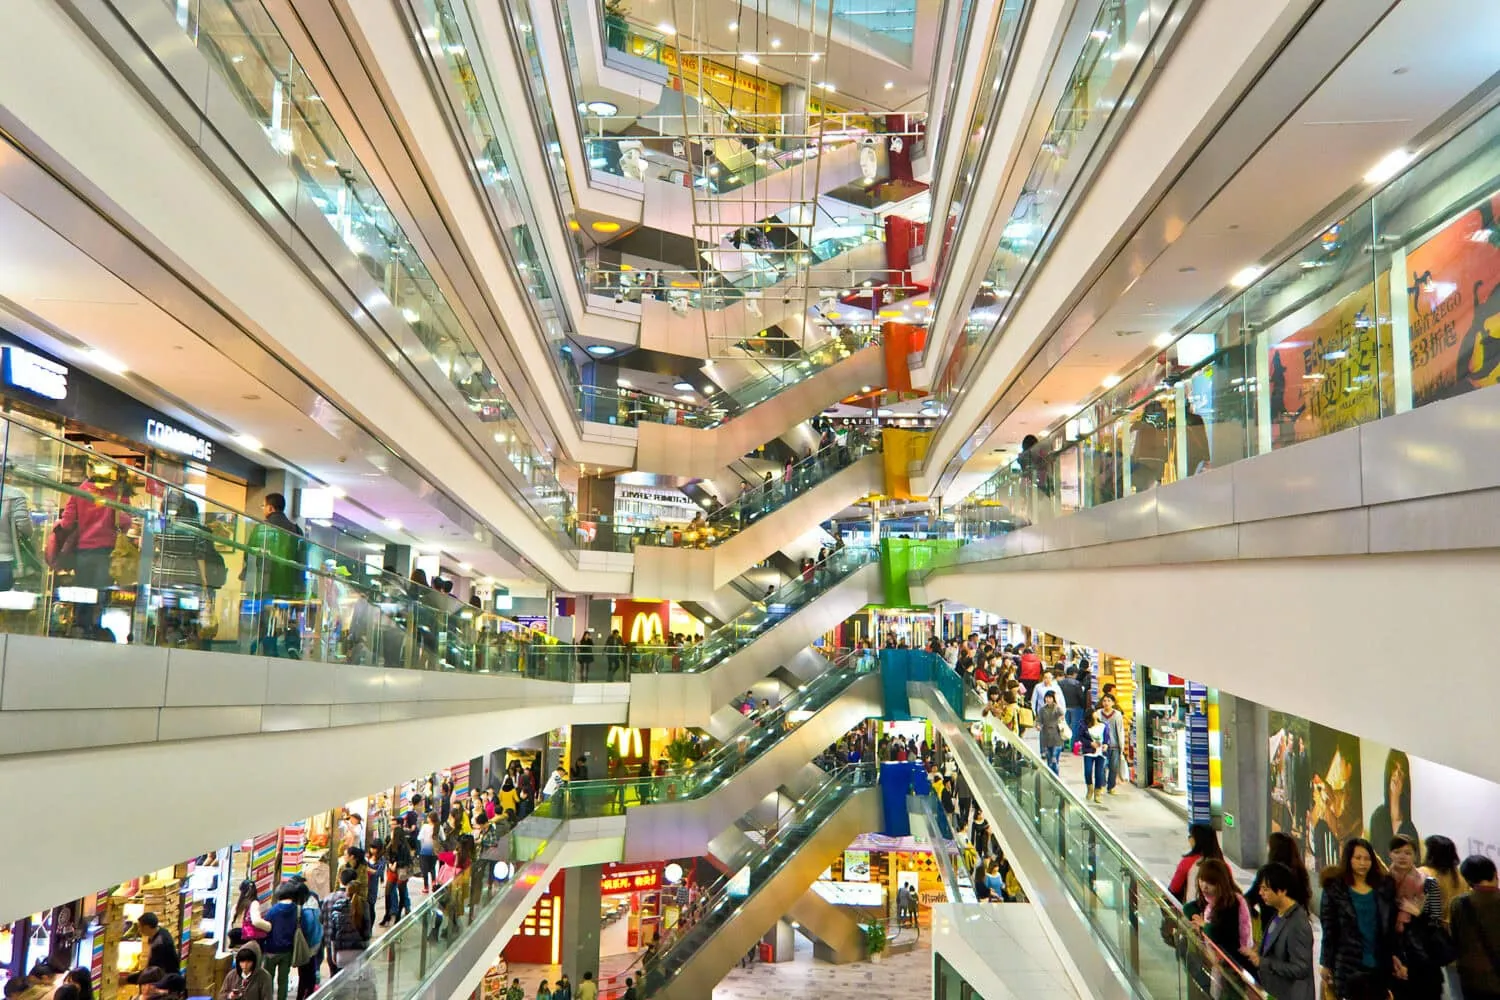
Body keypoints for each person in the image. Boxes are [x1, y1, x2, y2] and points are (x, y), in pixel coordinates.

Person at [1321, 837, 1390, 1000]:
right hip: (1348, 963)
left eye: (1367, 859)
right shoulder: (1335, 889)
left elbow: (1387, 927)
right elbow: (1328, 929)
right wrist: (1326, 963)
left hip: (1378, 964)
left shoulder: (1381, 887)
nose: (1363, 863)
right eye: (1358, 858)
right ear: (1348, 859)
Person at [1385, 834, 1449, 999]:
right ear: (1390, 854)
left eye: (1408, 852)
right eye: (1397, 851)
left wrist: (1419, 914)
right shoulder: (1383, 883)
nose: (1402, 856)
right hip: (1395, 956)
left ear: (1415, 855)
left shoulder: (1429, 883)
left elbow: (1436, 919)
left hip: (1424, 958)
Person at [1242, 861, 1316, 1000]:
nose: (1260, 893)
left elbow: (1301, 968)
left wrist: (1263, 962)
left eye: (1265, 889)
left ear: (1282, 890)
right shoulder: (1278, 914)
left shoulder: (1297, 923)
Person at [1186, 859, 1252, 976]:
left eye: (1210, 883)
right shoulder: (1210, 898)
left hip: (1232, 963)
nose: (1204, 886)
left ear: (1221, 883)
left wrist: (1203, 925)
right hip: (1216, 960)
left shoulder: (1231, 903)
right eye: (1202, 880)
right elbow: (1188, 908)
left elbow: (1217, 933)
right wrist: (1200, 921)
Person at [1452, 854, 1500, 1000]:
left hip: (1472, 980)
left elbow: (1456, 939)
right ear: (1494, 874)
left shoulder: (1459, 904)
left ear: (1468, 880)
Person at [1244, 831, 1313, 933]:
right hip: (1294, 928)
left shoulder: (1267, 874)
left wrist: (1253, 914)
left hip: (1271, 929)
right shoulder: (1300, 872)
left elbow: (1249, 898)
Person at [250, 882, 299, 1000]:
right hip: (287, 951)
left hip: (271, 950)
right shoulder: (296, 910)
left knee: (268, 978)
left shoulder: (273, 911)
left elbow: (265, 929)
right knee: (283, 980)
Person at [1368, 751, 1420, 863]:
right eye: (1394, 769)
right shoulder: (1378, 818)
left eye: (1401, 772)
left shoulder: (1409, 828)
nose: (1396, 775)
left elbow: (1416, 866)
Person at [321, 868, 370, 976]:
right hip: (357, 947)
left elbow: (323, 921)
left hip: (334, 946)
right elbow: (367, 931)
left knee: (335, 977)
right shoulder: (362, 903)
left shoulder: (328, 899)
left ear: (340, 880)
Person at [1169, 825, 1224, 904]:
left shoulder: (1189, 862)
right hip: (1219, 908)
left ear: (1197, 840)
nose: (1189, 838)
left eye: (1191, 836)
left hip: (1194, 909)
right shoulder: (1222, 863)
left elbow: (1174, 888)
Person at [1097, 694, 1125, 794]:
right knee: (1102, 766)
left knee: (1114, 767)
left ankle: (1111, 787)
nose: (1106, 703)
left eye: (1109, 701)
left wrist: (1122, 745)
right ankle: (1102, 785)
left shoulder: (1117, 714)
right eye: (1104, 701)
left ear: (1113, 703)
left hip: (1114, 745)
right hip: (1102, 745)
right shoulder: (1098, 714)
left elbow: (1120, 730)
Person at [1081, 708, 1109, 803]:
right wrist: (1090, 744)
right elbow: (1081, 737)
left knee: (1099, 773)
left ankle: (1097, 793)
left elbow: (1106, 738)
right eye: (1095, 712)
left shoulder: (1104, 726)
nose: (1097, 714)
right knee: (1088, 771)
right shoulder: (1084, 726)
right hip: (1089, 751)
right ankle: (1089, 788)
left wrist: (1105, 744)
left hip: (1101, 752)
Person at [1037, 691, 1066, 775]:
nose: (1048, 699)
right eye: (1047, 697)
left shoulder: (1057, 709)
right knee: (1049, 762)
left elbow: (1062, 715)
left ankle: (1056, 779)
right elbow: (1039, 721)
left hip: (1056, 737)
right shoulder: (1042, 710)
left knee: (1054, 760)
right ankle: (1051, 780)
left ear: (1053, 699)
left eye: (1050, 697)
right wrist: (1038, 725)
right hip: (1046, 737)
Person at [1058, 666, 1086, 752]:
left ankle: (1063, 745)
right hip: (1076, 707)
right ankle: (1073, 746)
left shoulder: (1060, 683)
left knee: (1064, 726)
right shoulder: (1077, 684)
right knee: (1075, 728)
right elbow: (1081, 697)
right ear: (1074, 674)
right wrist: (1083, 706)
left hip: (1064, 707)